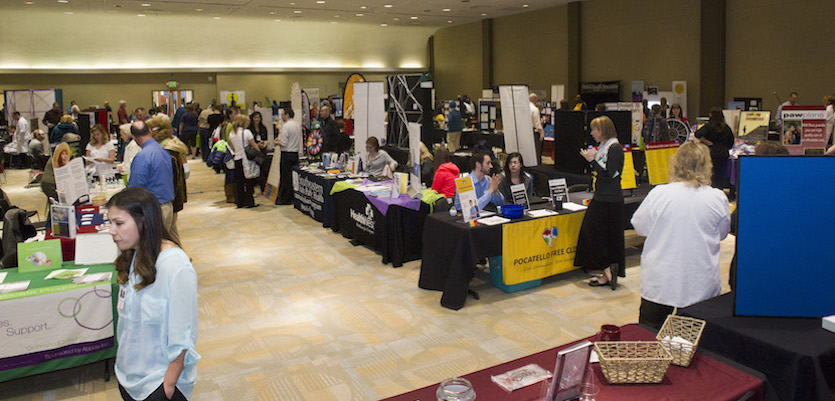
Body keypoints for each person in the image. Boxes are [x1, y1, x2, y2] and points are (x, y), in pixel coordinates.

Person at [107, 187, 199, 401]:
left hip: (157, 383)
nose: (111, 231)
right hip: (129, 376)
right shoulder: (134, 255)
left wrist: (168, 384)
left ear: (144, 222)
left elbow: (183, 333)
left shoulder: (174, 265)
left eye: (119, 223)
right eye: (110, 223)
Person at [631, 142, 730, 330]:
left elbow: (640, 226)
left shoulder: (659, 194)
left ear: (675, 163)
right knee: (691, 344)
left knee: (650, 336)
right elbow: (722, 234)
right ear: (706, 165)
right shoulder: (717, 197)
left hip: (660, 280)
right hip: (699, 282)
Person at [576, 116, 624, 290]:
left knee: (597, 234)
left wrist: (592, 162)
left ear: (603, 129)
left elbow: (610, 174)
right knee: (595, 235)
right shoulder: (604, 147)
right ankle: (605, 272)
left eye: (594, 129)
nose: (591, 133)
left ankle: (607, 269)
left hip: (610, 200)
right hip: (601, 197)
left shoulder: (615, 148)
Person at [128, 120, 175, 233]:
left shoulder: (142, 157)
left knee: (154, 247)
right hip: (167, 206)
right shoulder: (163, 150)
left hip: (154, 209)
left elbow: (135, 188)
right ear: (149, 131)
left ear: (133, 137)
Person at [695, 107, 734, 191]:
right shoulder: (726, 128)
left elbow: (697, 134)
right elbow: (731, 142)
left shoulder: (708, 126)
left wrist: (704, 141)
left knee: (711, 173)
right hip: (723, 153)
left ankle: (710, 190)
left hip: (711, 152)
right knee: (720, 173)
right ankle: (720, 190)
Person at [228, 114, 259, 208]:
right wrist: (259, 152)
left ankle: (240, 202)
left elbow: (232, 147)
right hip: (245, 159)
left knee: (239, 182)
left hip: (237, 159)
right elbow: (254, 145)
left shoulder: (232, 133)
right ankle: (250, 202)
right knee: (249, 181)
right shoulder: (246, 132)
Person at [275, 109, 302, 205]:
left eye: (283, 115)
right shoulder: (297, 125)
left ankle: (285, 199)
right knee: (292, 177)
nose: (281, 117)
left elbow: (283, 143)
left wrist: (277, 142)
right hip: (295, 153)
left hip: (286, 154)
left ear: (287, 115)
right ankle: (292, 197)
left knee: (285, 177)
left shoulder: (286, 126)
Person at [529, 93, 544, 163]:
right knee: (536, 151)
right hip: (533, 132)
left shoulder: (524, 108)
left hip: (525, 131)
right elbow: (537, 124)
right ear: (535, 100)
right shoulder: (535, 109)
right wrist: (541, 133)